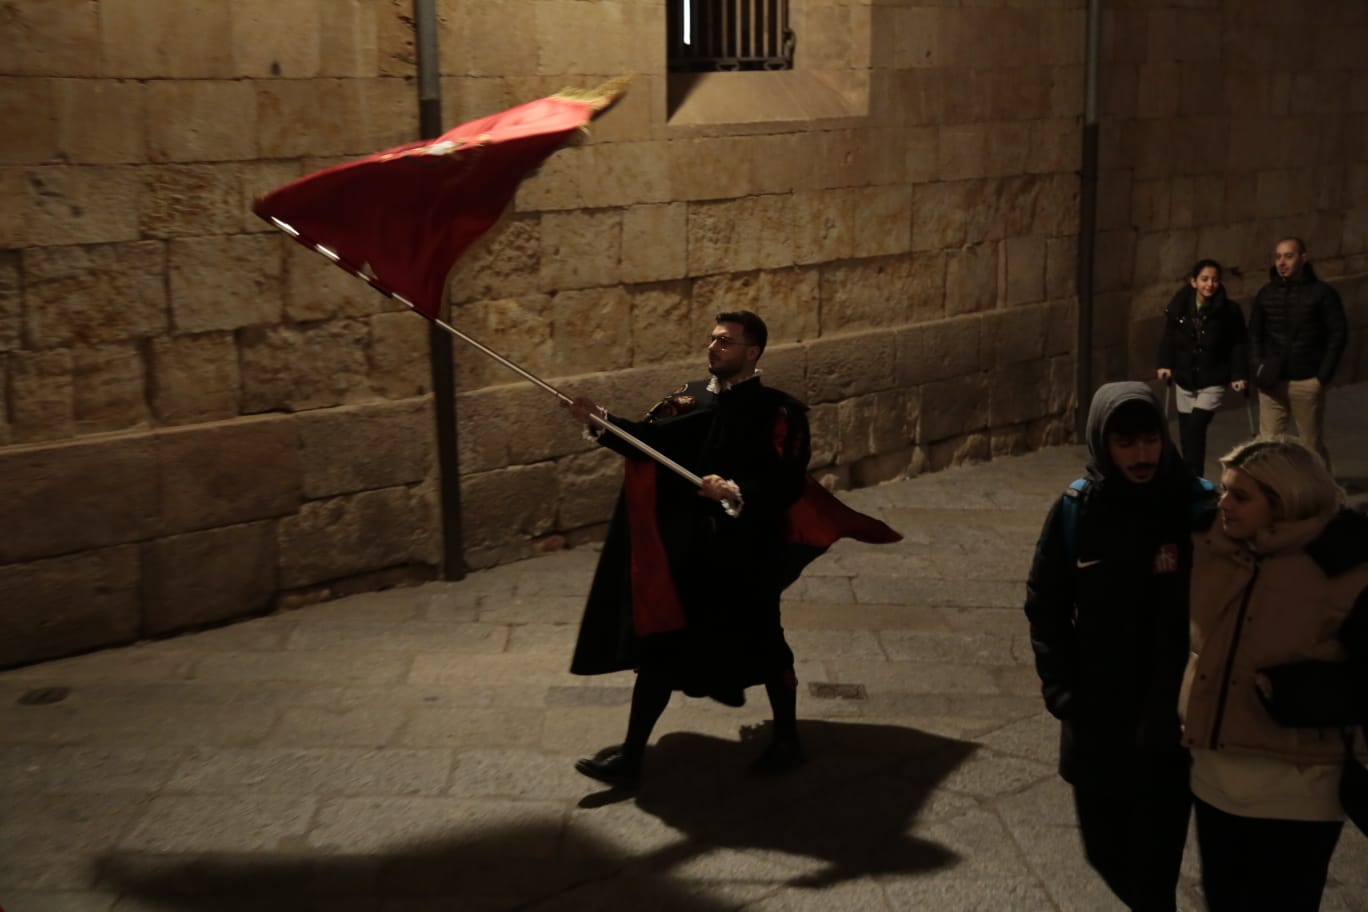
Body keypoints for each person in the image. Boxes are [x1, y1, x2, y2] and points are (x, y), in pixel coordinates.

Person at [563, 310, 813, 787]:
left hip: (747, 553)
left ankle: (787, 739)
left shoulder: (780, 413)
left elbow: (786, 481)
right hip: (690, 552)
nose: (714, 347)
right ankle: (633, 756)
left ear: (752, 352)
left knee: (765, 642)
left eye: (727, 341)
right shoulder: (688, 398)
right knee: (661, 646)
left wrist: (736, 489)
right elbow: (649, 441)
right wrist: (602, 422)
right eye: (713, 339)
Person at [1024, 381, 1215, 911]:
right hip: (1096, 714)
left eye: (1150, 440)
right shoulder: (1077, 509)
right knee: (1104, 850)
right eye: (1126, 443)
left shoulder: (1195, 505)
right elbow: (1046, 602)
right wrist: (1060, 687)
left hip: (1170, 719)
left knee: (1155, 867)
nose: (1142, 454)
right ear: (1102, 443)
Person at [1180, 437, 1368, 911]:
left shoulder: (1346, 564)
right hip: (1215, 778)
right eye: (1223, 490)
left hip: (1298, 790)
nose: (1222, 502)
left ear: (1285, 503)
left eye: (1240, 496)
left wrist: (1305, 691)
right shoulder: (1206, 541)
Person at [1248, 237, 1347, 469]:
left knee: (1310, 447)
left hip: (1306, 380)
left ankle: (1323, 495)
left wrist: (1321, 377)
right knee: (1267, 444)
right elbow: (1254, 334)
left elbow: (1337, 334)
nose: (1282, 262)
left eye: (1288, 256)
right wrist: (1258, 367)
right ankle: (1274, 494)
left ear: (1303, 258)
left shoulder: (1322, 293)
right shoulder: (1266, 293)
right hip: (1272, 380)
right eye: (1278, 256)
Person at [1156, 258, 1249, 478]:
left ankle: (1193, 478)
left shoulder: (1229, 311)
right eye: (1204, 279)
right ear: (1193, 281)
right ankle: (1192, 478)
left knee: (1196, 428)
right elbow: (1169, 338)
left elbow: (1238, 344)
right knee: (1187, 434)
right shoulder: (1179, 308)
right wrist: (1165, 364)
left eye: (1215, 280)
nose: (1210, 284)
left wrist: (1239, 374)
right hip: (1185, 379)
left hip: (1212, 378)